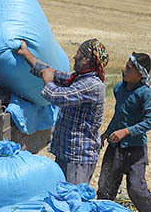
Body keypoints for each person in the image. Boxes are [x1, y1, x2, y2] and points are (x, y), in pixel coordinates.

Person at [15, 39, 107, 185]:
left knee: (73, 200)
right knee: (62, 197)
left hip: (78, 158)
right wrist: (27, 54)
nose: (74, 57)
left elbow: (57, 97)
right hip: (67, 152)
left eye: (78, 53)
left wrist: (48, 82)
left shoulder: (92, 85)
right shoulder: (77, 78)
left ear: (86, 59)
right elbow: (51, 72)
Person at [97, 52, 151, 212]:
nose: (123, 70)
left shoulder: (145, 94)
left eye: (128, 68)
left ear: (140, 74)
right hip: (115, 148)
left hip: (135, 150)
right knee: (105, 189)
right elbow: (119, 115)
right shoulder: (119, 89)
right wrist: (106, 134)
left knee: (136, 189)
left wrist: (126, 132)